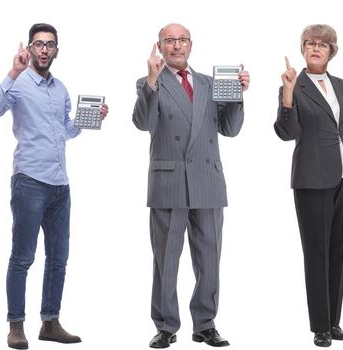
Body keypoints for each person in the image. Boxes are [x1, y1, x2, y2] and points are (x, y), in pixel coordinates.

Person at [0, 23, 107, 349]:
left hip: (60, 185)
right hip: (29, 182)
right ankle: (16, 326)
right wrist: (12, 72)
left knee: (58, 259)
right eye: (38, 44)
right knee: (23, 258)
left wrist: (89, 118)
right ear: (29, 47)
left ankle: (50, 322)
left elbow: (64, 131)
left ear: (56, 50)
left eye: (49, 44)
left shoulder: (61, 89)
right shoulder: (19, 82)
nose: (43, 50)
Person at [132, 23, 249, 349]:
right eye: (170, 40)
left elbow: (231, 129)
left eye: (182, 40)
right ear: (160, 46)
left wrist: (238, 97)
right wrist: (153, 80)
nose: (177, 46)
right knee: (166, 260)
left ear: (191, 45)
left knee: (210, 259)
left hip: (208, 179)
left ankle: (205, 324)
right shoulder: (148, 82)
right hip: (169, 180)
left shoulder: (213, 84)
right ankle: (166, 326)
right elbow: (144, 123)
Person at [274, 24, 343, 347]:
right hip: (312, 177)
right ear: (302, 50)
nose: (315, 48)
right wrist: (286, 94)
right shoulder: (293, 85)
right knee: (317, 251)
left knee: (339, 249)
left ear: (331, 51)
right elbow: (287, 132)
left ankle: (334, 321)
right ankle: (320, 326)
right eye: (309, 43)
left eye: (322, 45)